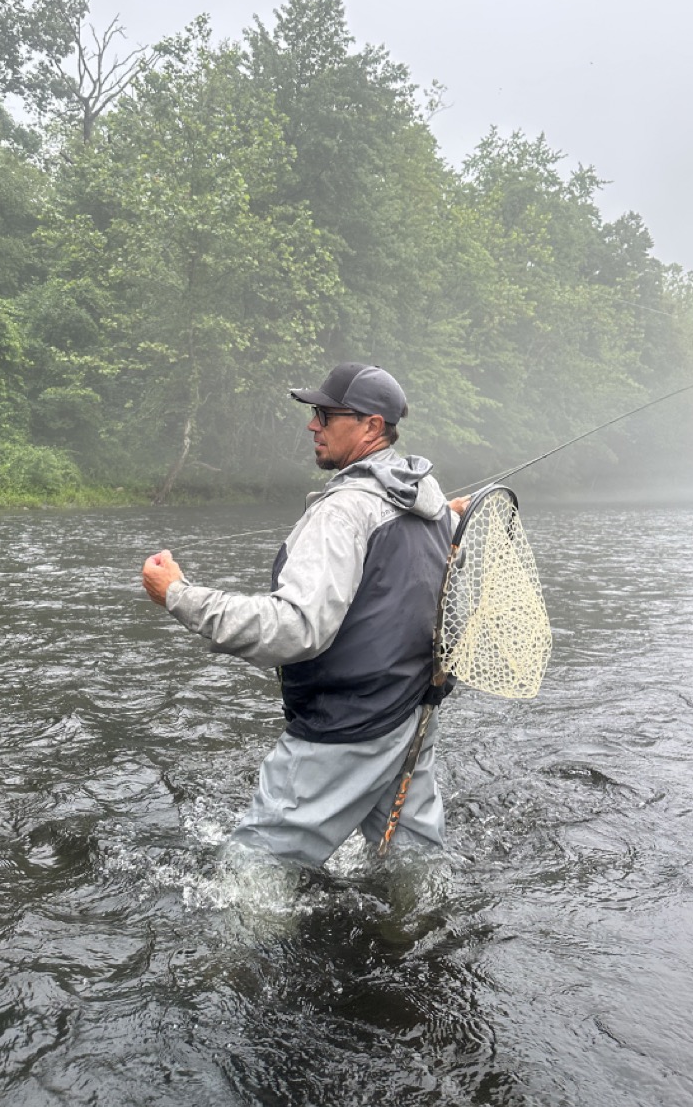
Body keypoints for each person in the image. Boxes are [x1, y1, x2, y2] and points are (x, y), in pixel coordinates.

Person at [142, 361, 467, 867]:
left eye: (325, 414)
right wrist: (445, 514)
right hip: (412, 714)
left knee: (249, 875)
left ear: (370, 426)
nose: (312, 425)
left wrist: (177, 594)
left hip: (345, 726)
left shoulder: (344, 511)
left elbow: (295, 629)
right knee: (412, 865)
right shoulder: (430, 507)